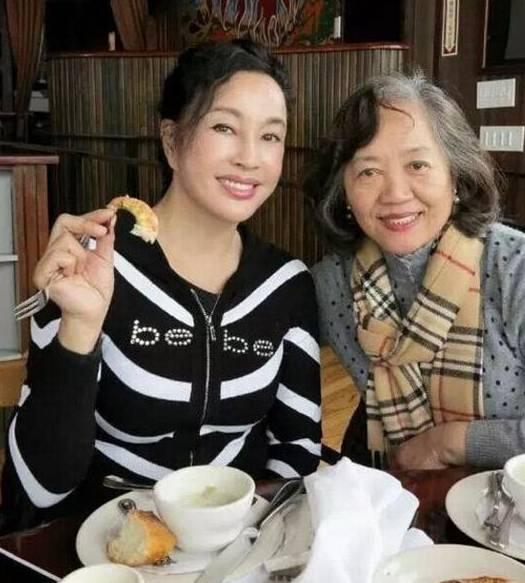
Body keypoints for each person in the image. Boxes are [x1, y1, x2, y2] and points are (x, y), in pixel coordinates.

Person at [1, 39, 321, 532]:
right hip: (103, 541)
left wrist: (251, 539)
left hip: (233, 543)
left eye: (271, 136)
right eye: (224, 127)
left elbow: (298, 450)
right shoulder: (95, 263)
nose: (250, 157)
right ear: (172, 141)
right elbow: (39, 487)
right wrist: (80, 326)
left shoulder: (286, 285)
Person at [305, 72, 525, 480]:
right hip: (396, 499)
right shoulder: (332, 283)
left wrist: (449, 442)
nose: (395, 194)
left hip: (520, 502)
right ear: (343, 192)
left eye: (417, 165)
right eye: (368, 172)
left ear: (455, 176)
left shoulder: (517, 268)